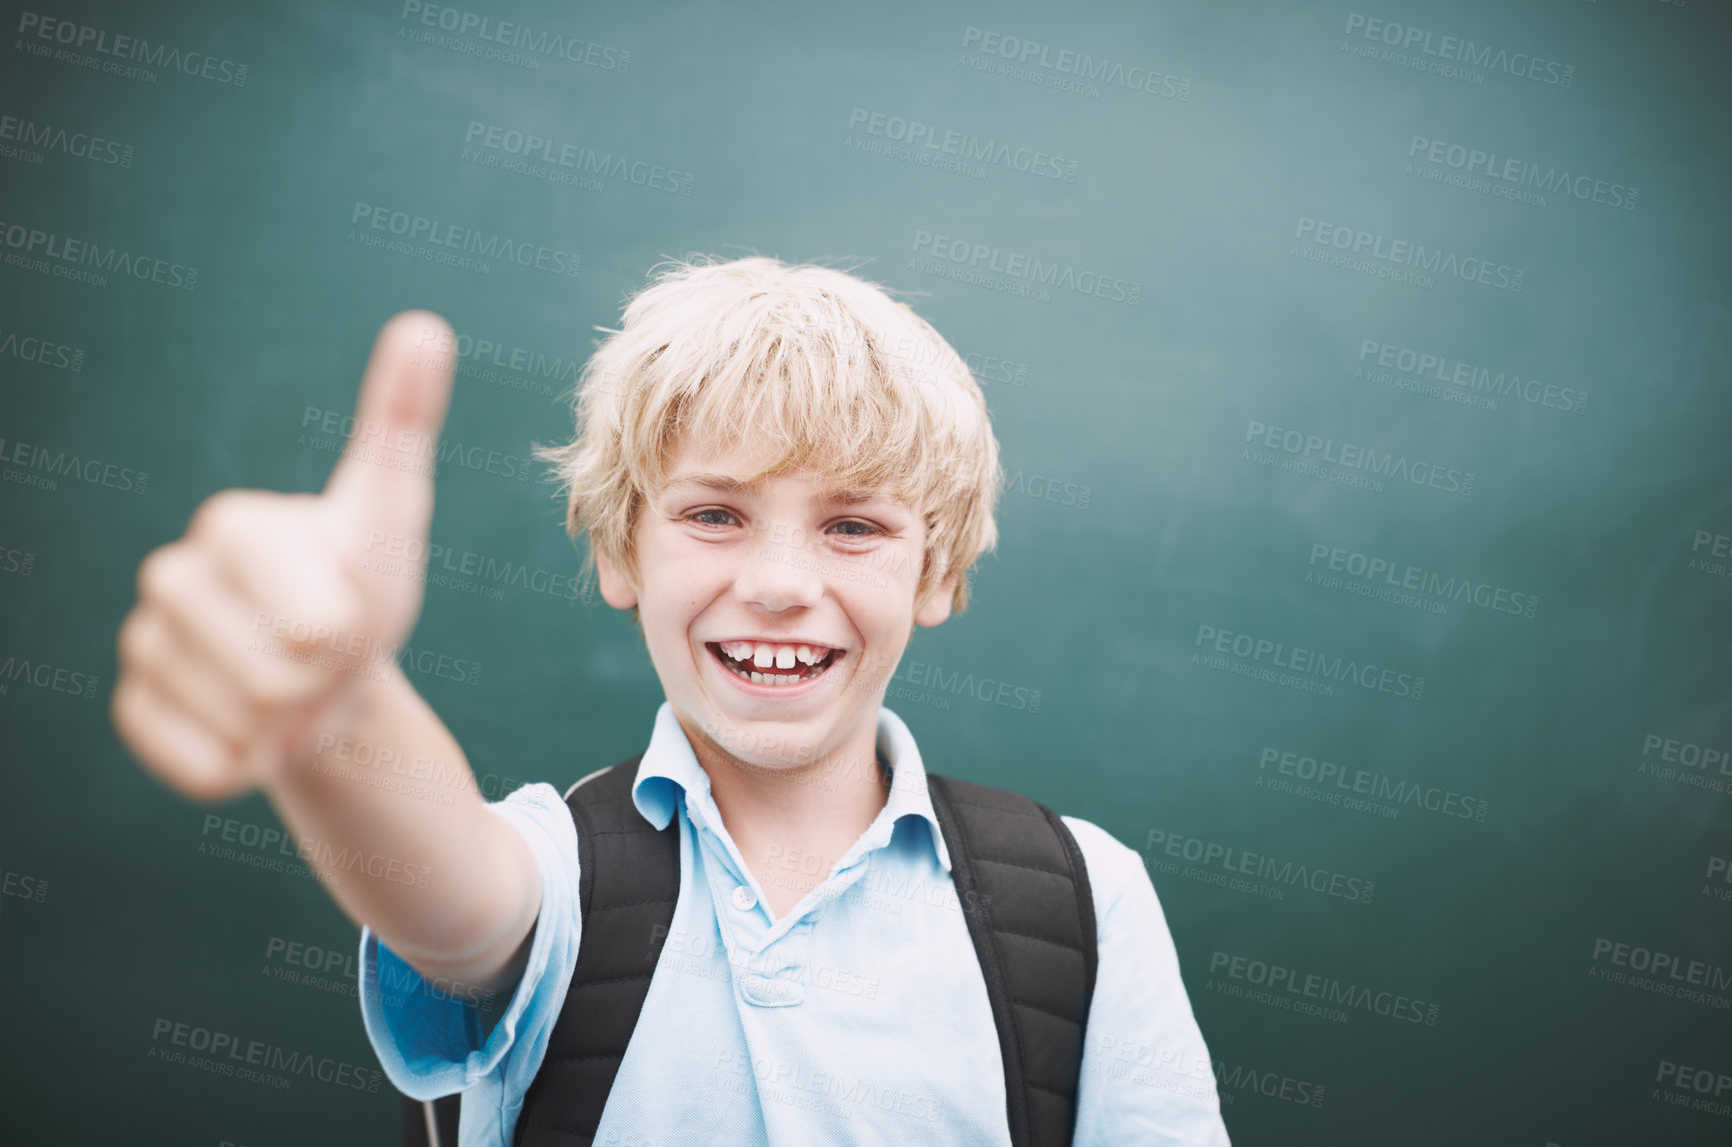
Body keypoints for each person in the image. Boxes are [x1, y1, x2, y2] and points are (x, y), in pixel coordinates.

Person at [112, 255, 1230, 1144]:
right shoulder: (552, 872)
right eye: (713, 515)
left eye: (854, 525)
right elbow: (452, 903)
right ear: (619, 553)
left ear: (934, 574)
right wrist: (337, 710)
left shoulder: (1087, 896)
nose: (782, 584)